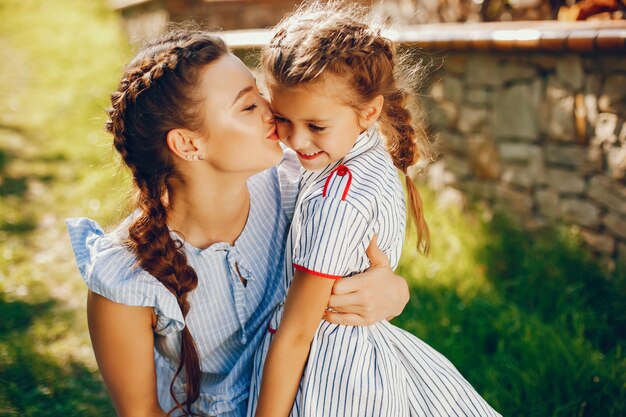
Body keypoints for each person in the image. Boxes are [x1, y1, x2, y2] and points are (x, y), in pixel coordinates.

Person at [65, 29, 411, 417]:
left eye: (258, 93)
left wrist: (394, 291)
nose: (271, 110)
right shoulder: (125, 278)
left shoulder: (300, 189)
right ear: (189, 144)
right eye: (248, 106)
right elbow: (141, 412)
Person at [248, 2, 502, 417]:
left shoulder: (338, 200)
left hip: (326, 377)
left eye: (315, 126)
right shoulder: (364, 155)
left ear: (369, 112)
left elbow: (297, 333)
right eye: (281, 118)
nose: (294, 140)